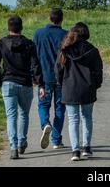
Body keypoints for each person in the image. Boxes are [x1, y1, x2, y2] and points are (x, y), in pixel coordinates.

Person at [0, 15, 45, 160]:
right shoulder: (29, 44)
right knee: (23, 115)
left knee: (11, 116)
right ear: (21, 27)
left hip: (8, 83)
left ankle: (13, 147)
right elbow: (35, 65)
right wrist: (40, 83)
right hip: (25, 83)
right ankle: (22, 142)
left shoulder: (1, 43)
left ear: (8, 28)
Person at [55, 22, 103, 161]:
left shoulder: (65, 49)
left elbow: (58, 69)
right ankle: (86, 147)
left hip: (69, 88)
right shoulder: (92, 50)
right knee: (87, 117)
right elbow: (98, 70)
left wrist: (60, 84)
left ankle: (75, 150)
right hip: (87, 88)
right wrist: (96, 84)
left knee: (73, 119)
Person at [33, 8, 67, 149]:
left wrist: (36, 78)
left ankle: (45, 124)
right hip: (61, 78)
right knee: (60, 107)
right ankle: (56, 140)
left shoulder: (39, 34)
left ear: (49, 18)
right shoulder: (66, 35)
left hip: (44, 77)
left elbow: (34, 57)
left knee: (43, 104)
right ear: (61, 19)